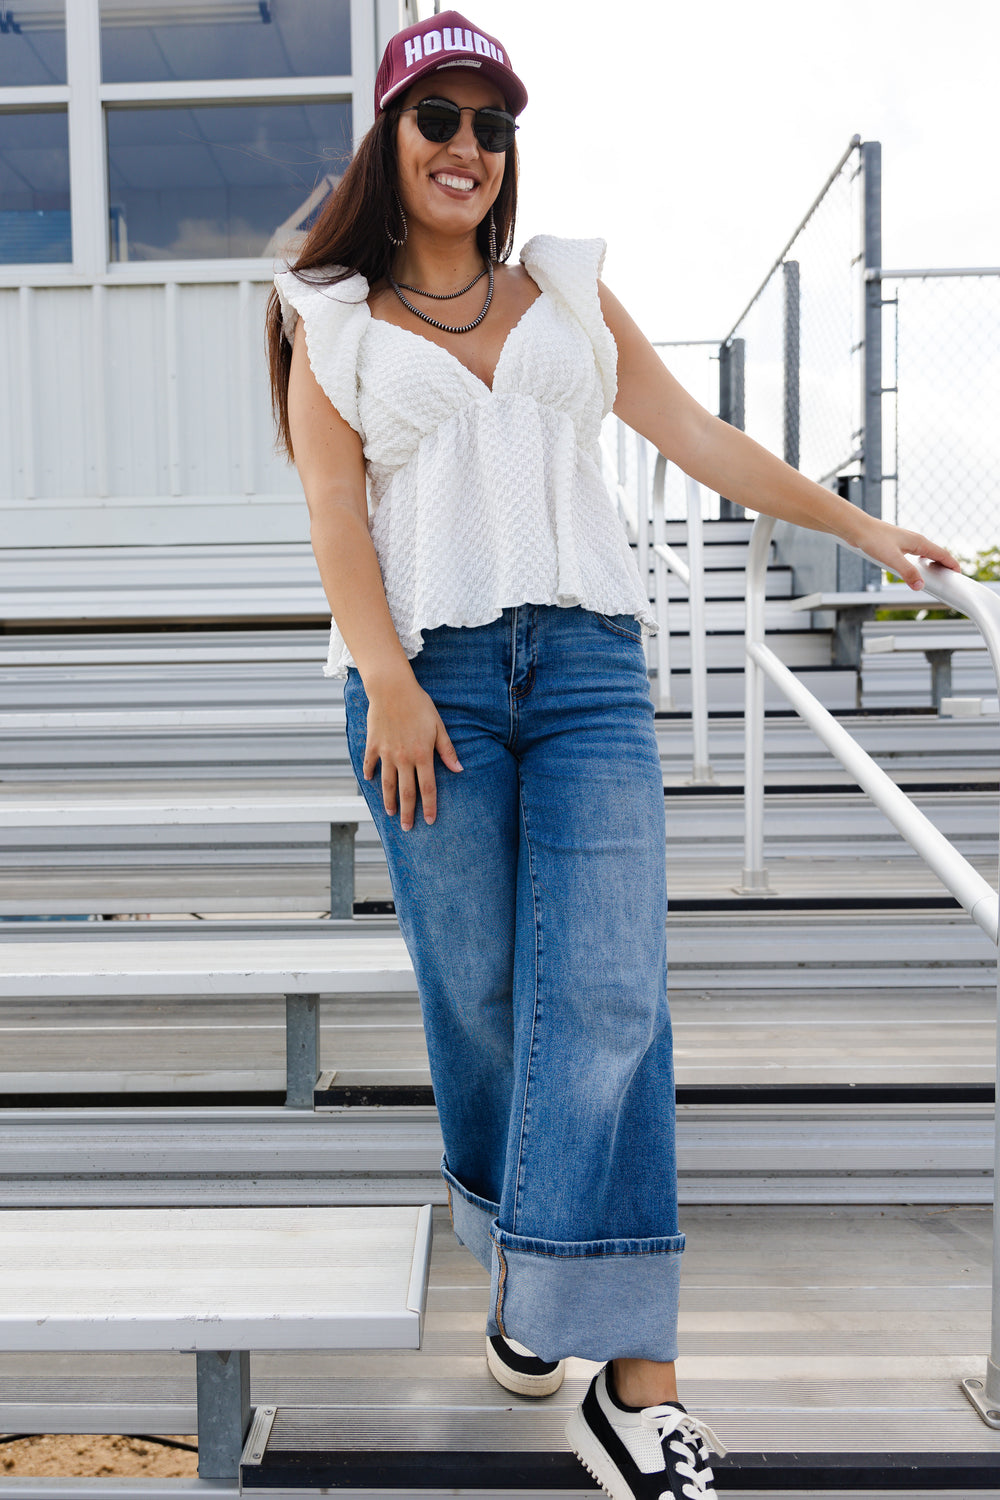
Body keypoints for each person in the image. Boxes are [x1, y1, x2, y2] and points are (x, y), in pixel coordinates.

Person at [266, 13, 960, 1498]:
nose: (466, 146)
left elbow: (698, 438)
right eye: (437, 118)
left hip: (583, 668)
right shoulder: (325, 314)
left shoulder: (569, 293)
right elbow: (335, 511)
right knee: (487, 1000)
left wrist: (861, 529)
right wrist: (386, 677)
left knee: (609, 992)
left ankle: (633, 1383)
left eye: (490, 124)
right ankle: (531, 1259)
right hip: (425, 680)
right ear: (389, 143)